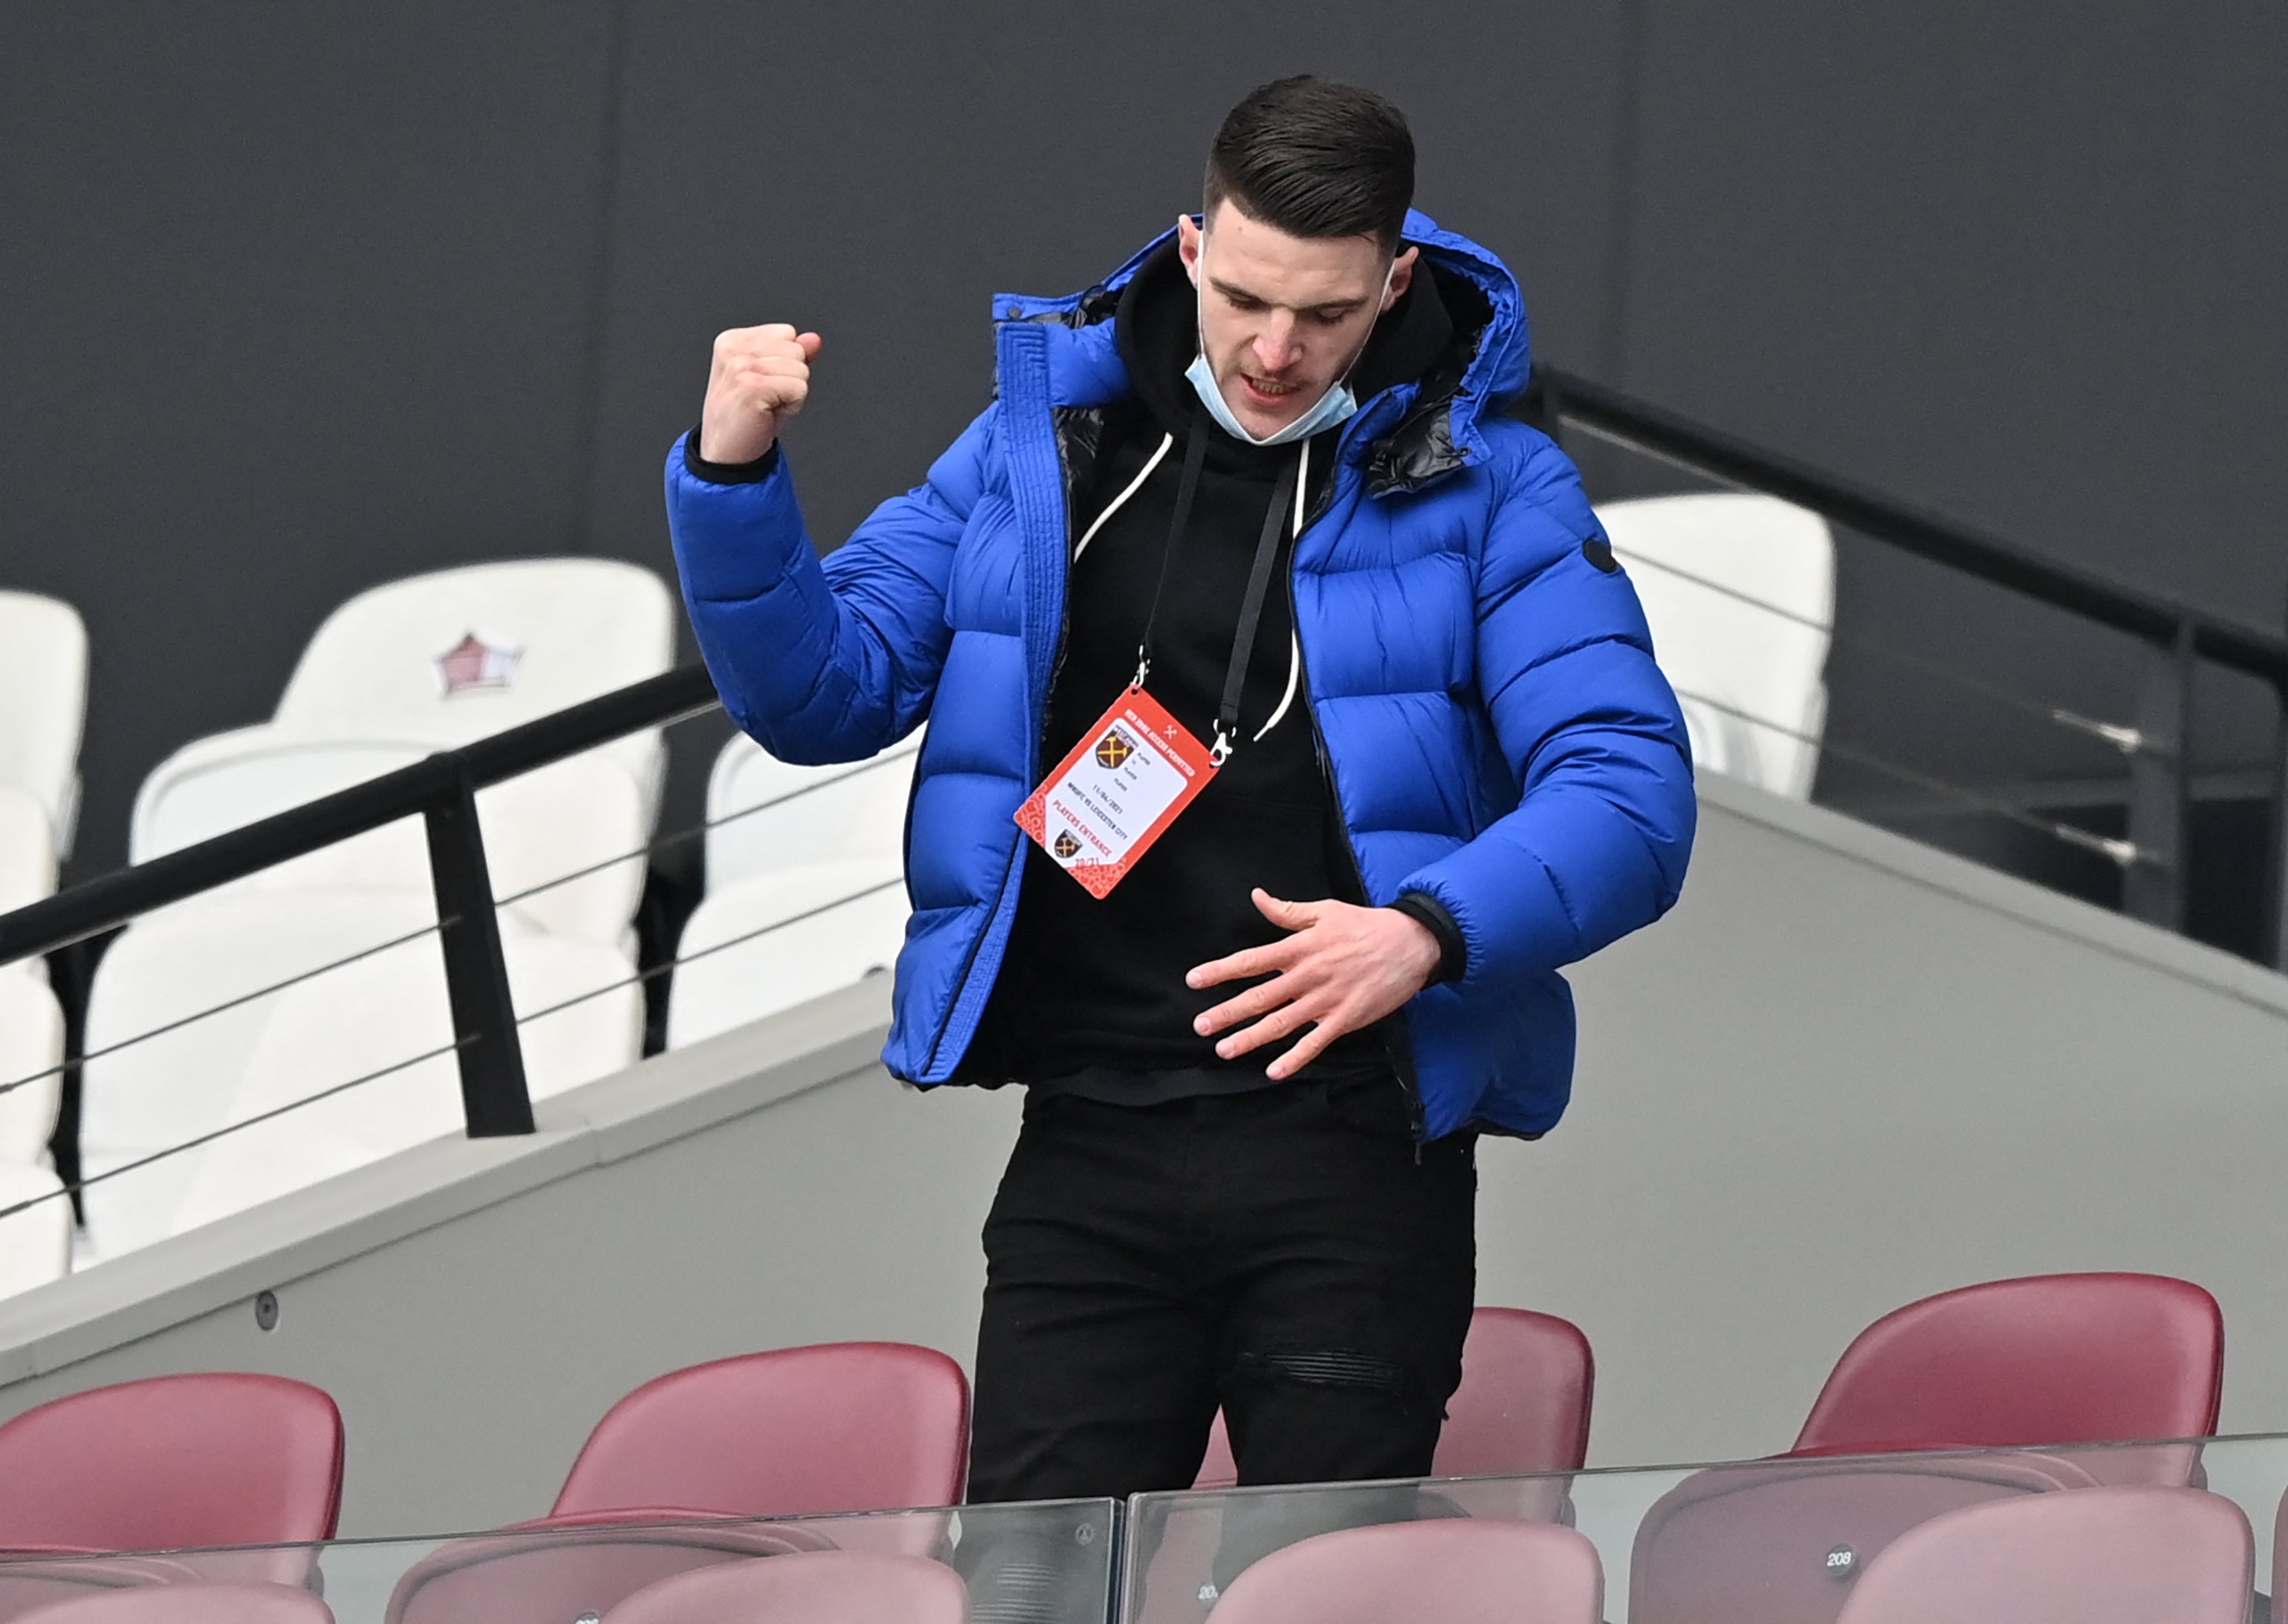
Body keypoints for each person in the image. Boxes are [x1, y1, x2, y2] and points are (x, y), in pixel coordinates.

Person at [665, 76, 1694, 1502]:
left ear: (1395, 281)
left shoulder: (1495, 485)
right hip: (1090, 1141)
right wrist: (735, 469)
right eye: (1249, 298)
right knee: (1032, 1594)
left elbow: (1632, 793)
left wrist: (1426, 932)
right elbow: (817, 694)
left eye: (1328, 315)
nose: (1276, 350)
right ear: (1193, 246)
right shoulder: (1046, 449)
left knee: (1325, 1603)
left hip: (1352, 1152)